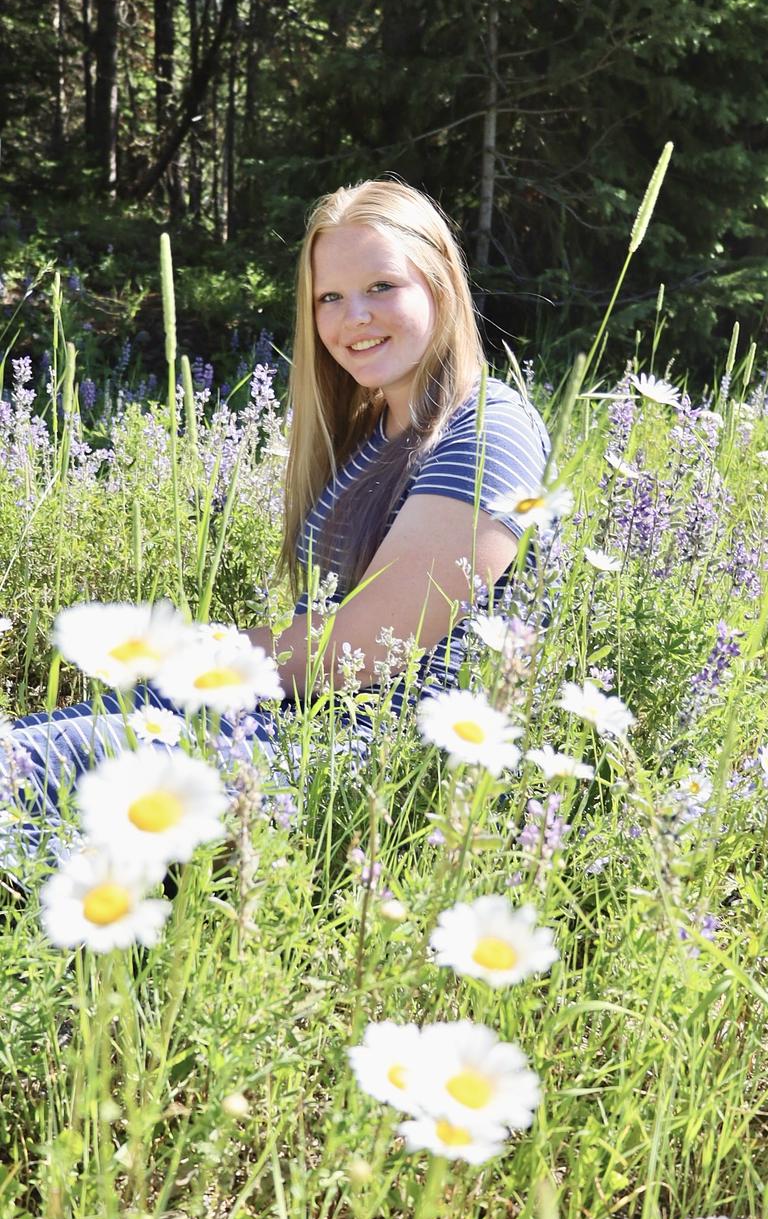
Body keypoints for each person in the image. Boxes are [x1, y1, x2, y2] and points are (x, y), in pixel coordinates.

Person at [2, 178, 551, 869]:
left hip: (363, 757)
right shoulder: (378, 431)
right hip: (293, 715)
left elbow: (372, 647)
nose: (354, 317)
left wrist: (195, 653)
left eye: (382, 286)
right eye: (329, 298)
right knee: (29, 755)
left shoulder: (488, 430)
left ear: (440, 284)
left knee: (25, 774)